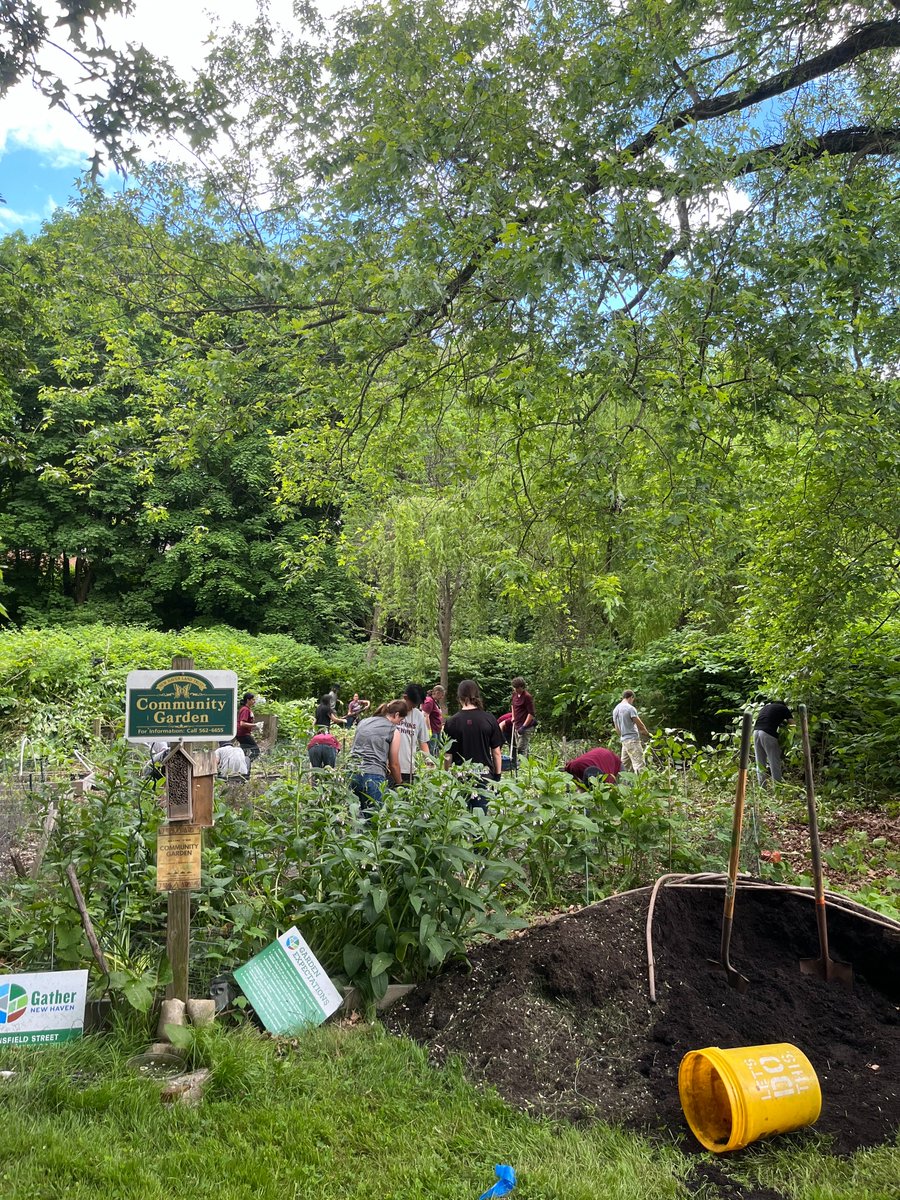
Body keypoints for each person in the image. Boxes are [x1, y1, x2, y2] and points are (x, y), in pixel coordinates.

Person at [444, 679, 503, 813]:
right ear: (476, 695)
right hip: (484, 775)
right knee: (480, 817)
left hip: (460, 776)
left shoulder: (452, 722)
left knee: (461, 816)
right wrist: (497, 776)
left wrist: (447, 775)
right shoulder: (489, 719)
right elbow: (496, 752)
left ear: (459, 697)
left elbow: (448, 755)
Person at [347, 699, 406, 813]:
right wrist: (400, 784)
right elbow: (394, 764)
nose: (400, 723)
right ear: (397, 714)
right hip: (373, 775)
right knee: (375, 820)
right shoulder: (393, 730)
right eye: (401, 720)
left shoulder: (363, 722)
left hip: (352, 773)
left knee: (353, 819)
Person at [754, 700, 793, 785]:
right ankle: (777, 789)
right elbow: (792, 725)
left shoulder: (766, 707)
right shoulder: (784, 708)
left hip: (756, 731)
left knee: (760, 763)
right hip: (767, 733)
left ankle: (762, 789)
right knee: (774, 762)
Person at [398, 683, 431, 782]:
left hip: (409, 768)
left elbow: (423, 742)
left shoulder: (418, 716)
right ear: (405, 697)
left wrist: (428, 760)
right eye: (411, 705)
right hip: (389, 767)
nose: (412, 708)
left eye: (415, 705)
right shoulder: (391, 711)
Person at [612, 690, 649, 772]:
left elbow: (617, 729)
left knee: (624, 767)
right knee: (639, 764)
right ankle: (642, 784)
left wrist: (623, 735)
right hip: (633, 740)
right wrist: (646, 733)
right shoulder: (630, 708)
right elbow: (640, 724)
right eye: (633, 699)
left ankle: (620, 783)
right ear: (631, 697)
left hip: (624, 741)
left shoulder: (615, 710)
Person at [510, 677, 537, 757]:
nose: (516, 689)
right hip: (517, 725)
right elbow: (513, 706)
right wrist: (513, 716)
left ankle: (521, 766)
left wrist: (524, 726)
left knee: (521, 748)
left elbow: (531, 714)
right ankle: (527, 764)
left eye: (518, 688)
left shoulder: (527, 697)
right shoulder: (514, 694)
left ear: (522, 687)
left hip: (526, 726)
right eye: (515, 688)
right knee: (524, 747)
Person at [236, 693, 262, 769]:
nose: (254, 701)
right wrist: (255, 725)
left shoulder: (247, 709)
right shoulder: (245, 710)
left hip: (241, 734)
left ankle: (242, 767)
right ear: (248, 700)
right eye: (253, 699)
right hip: (243, 734)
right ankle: (245, 765)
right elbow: (242, 723)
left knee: (244, 751)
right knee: (256, 751)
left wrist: (255, 726)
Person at [422, 685, 445, 755]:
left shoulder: (434, 701)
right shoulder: (429, 701)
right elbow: (425, 715)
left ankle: (436, 765)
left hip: (437, 729)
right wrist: (429, 730)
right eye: (442, 695)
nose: (442, 697)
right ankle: (430, 765)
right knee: (432, 750)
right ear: (437, 693)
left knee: (436, 750)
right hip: (432, 730)